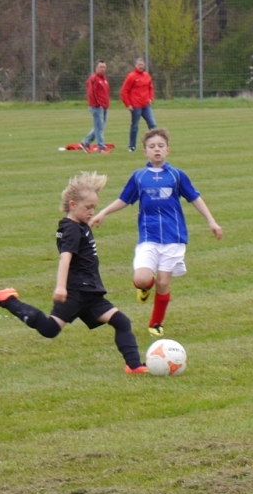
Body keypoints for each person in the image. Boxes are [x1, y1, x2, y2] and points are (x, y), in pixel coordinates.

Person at [0, 172, 148, 374]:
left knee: (121, 322)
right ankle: (8, 300)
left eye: (94, 207)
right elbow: (65, 258)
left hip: (90, 292)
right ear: (73, 205)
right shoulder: (71, 229)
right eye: (88, 207)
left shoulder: (80, 224)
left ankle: (134, 366)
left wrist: (98, 216)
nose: (92, 212)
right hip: (75, 291)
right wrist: (60, 287)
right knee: (49, 329)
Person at [90, 128, 222, 338]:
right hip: (148, 237)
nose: (157, 150)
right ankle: (145, 288)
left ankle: (156, 323)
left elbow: (195, 198)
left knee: (163, 282)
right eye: (152, 147)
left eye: (161, 146)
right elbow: (124, 199)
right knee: (141, 279)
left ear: (168, 150)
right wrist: (103, 212)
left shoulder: (177, 176)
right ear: (145, 152)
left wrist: (211, 221)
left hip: (174, 238)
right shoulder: (139, 177)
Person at [121, 58, 157, 152]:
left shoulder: (147, 75)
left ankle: (153, 144)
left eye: (142, 65)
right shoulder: (131, 76)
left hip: (145, 105)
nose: (141, 66)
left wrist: (151, 98)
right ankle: (132, 146)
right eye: (139, 65)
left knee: (152, 124)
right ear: (136, 66)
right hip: (135, 106)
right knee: (135, 126)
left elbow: (150, 88)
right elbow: (124, 91)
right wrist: (128, 104)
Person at [80, 60, 110, 154]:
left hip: (104, 106)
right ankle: (101, 148)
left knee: (100, 127)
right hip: (97, 107)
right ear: (96, 68)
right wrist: (97, 104)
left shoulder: (104, 79)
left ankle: (85, 142)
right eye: (101, 67)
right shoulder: (94, 79)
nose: (103, 69)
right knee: (99, 128)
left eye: (104, 67)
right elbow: (91, 93)